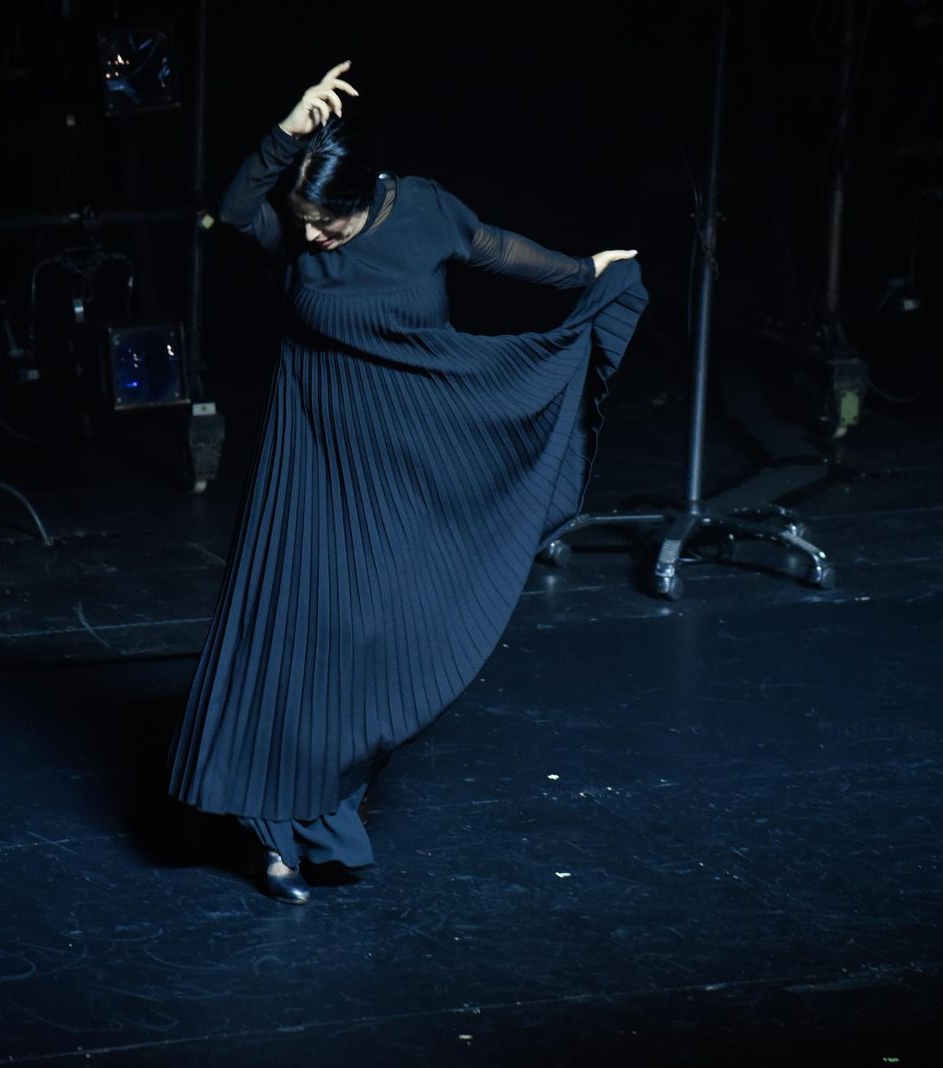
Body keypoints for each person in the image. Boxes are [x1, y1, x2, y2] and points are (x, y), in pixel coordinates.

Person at [167, 61, 648, 904]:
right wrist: (284, 134)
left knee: (378, 629)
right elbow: (237, 209)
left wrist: (587, 271)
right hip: (312, 447)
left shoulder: (422, 208)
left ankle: (326, 794)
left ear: (368, 197)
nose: (313, 240)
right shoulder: (292, 223)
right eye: (305, 223)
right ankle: (276, 831)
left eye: (330, 225)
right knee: (296, 623)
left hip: (408, 442)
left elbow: (499, 248)